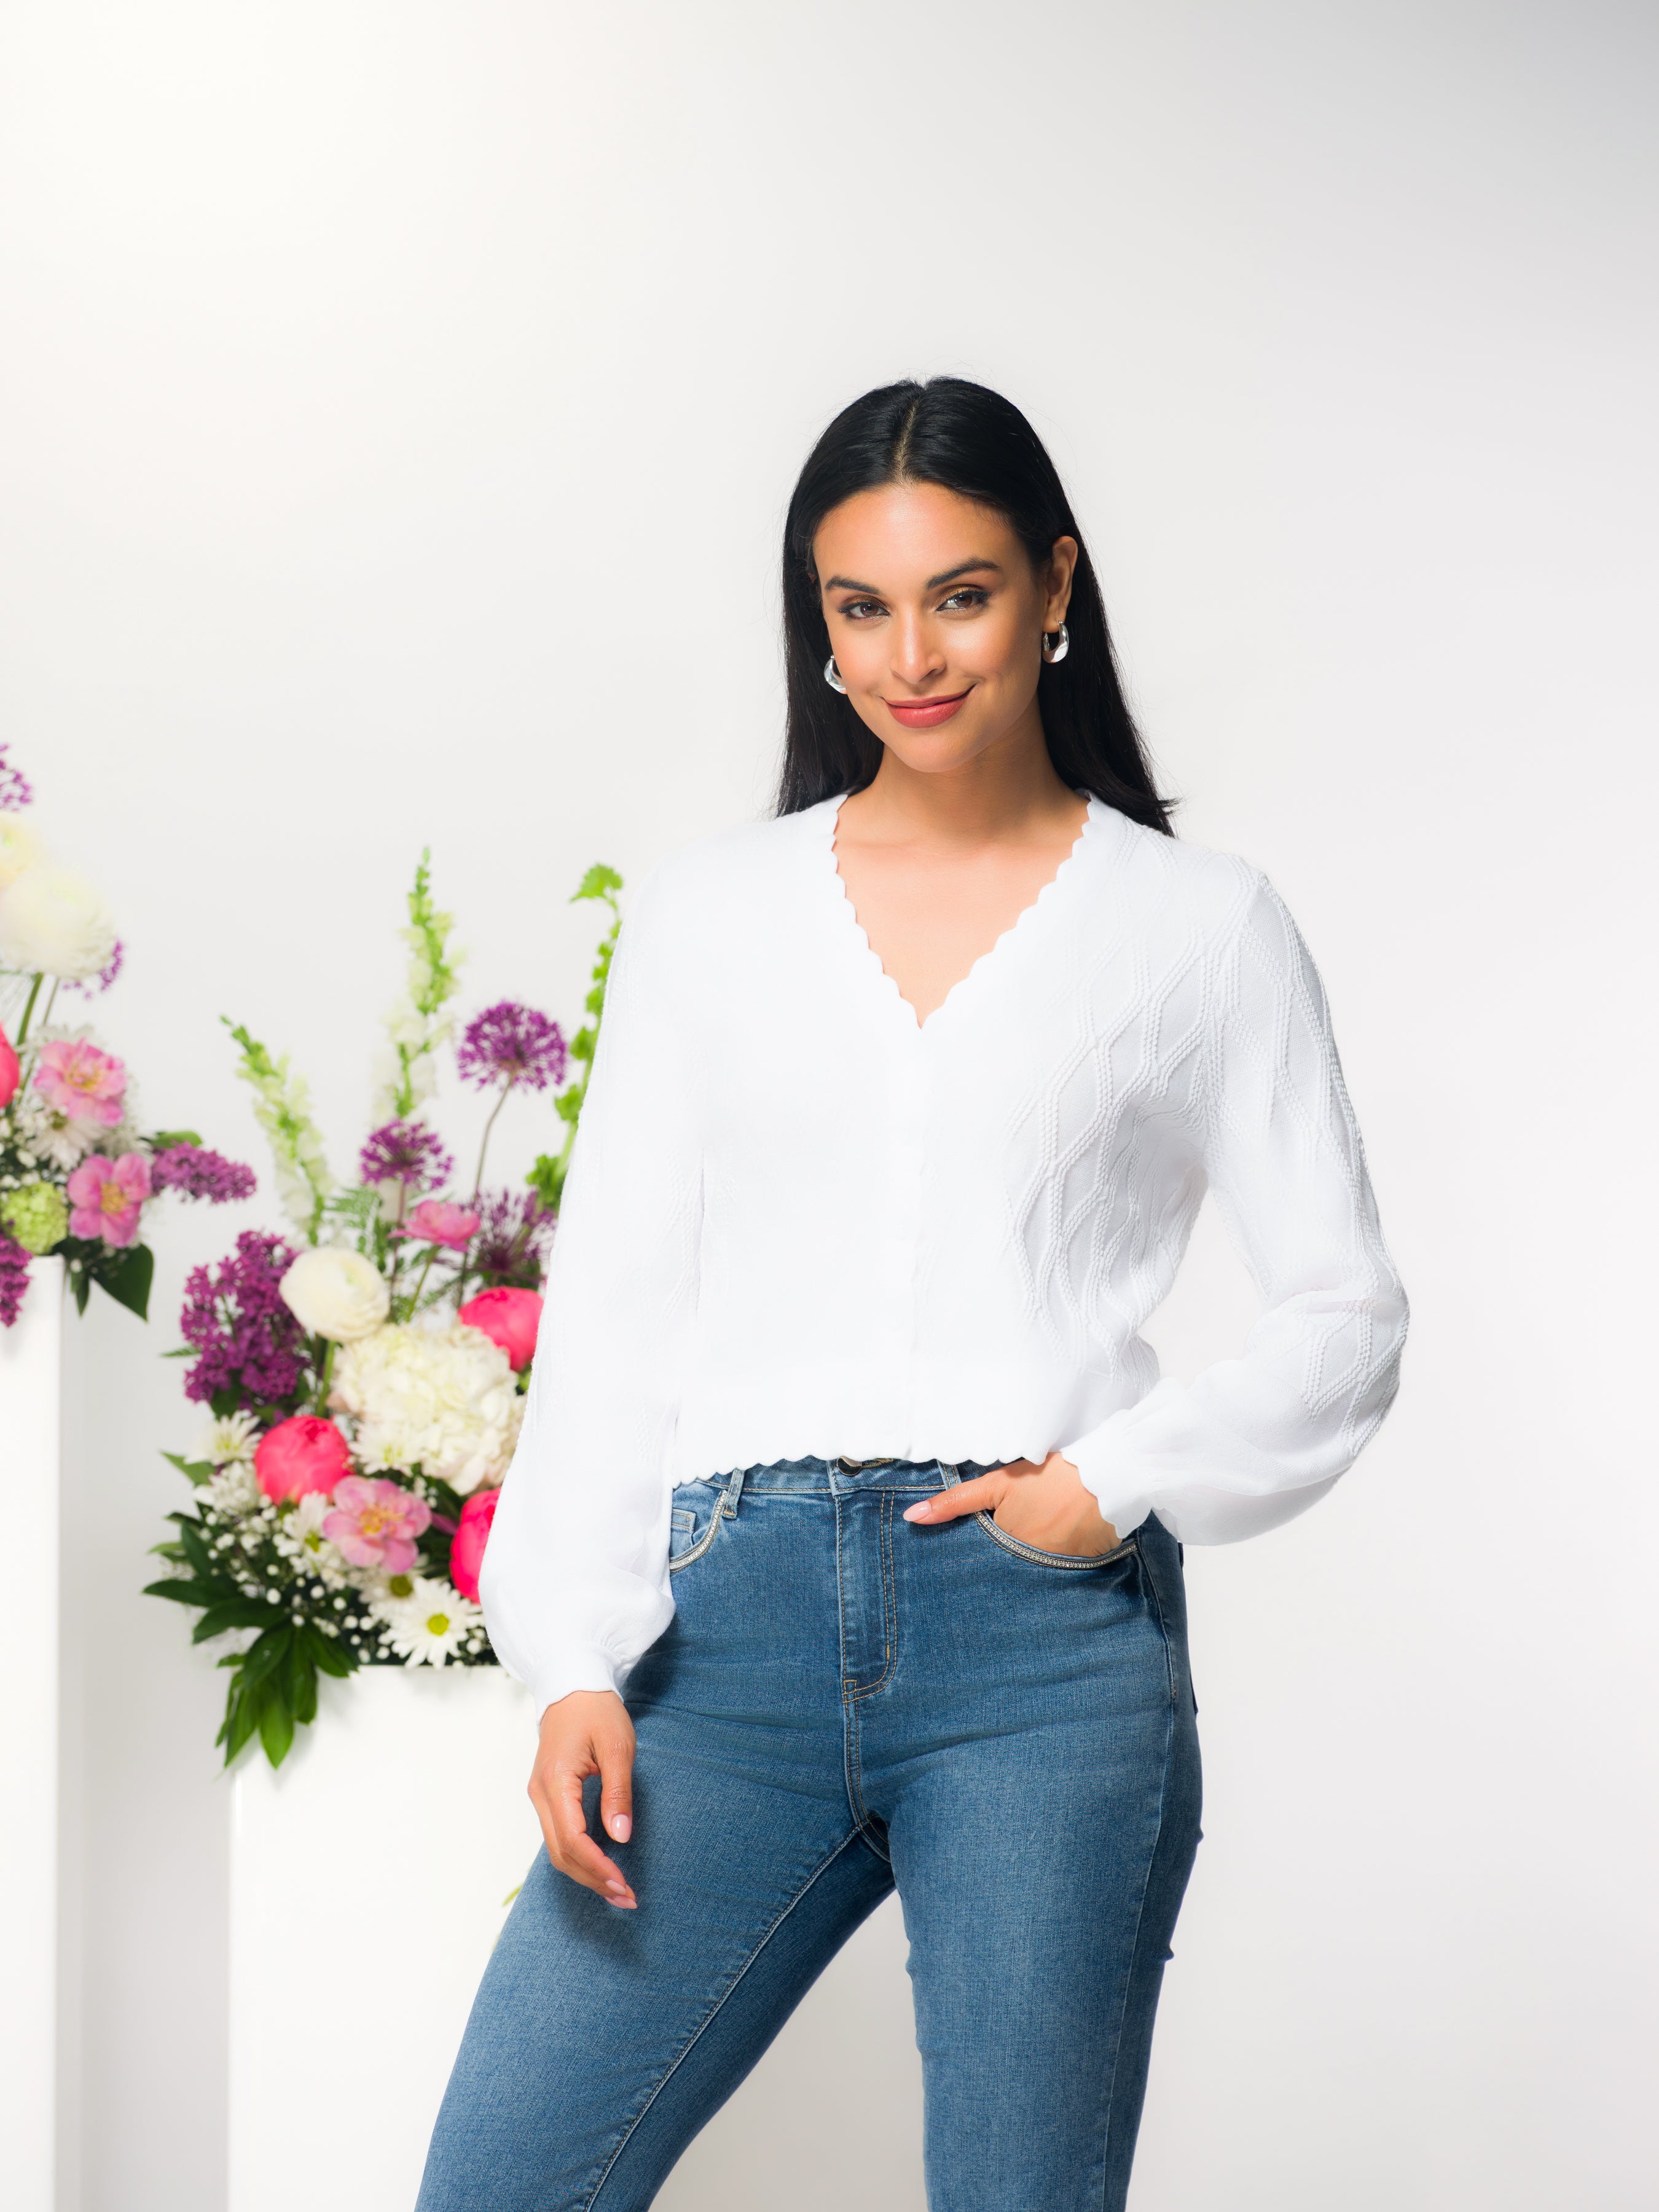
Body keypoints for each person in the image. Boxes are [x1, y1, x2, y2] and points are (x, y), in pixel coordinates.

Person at [416, 377, 1408, 2212]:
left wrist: (1099, 1487)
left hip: (1040, 1652)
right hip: (723, 1638)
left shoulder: (1198, 927)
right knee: (503, 2185)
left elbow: (1343, 1313)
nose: (907, 655)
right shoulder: (711, 916)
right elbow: (619, 1300)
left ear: (1053, 583)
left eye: (956, 593)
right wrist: (565, 1654)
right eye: (855, 609)